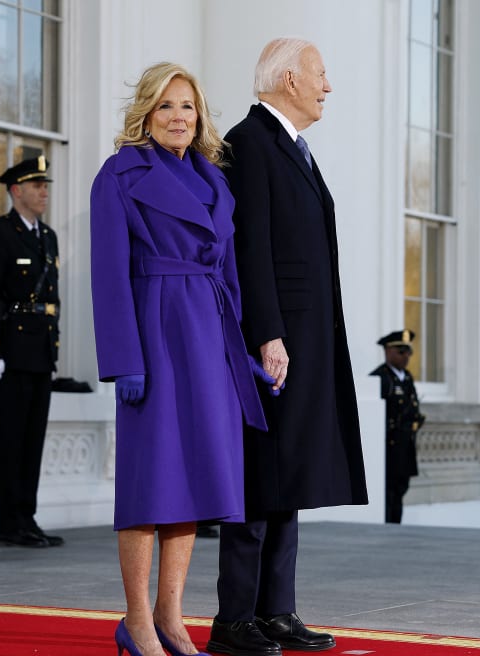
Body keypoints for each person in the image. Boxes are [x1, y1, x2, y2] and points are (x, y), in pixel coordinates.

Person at [90, 62, 277, 656]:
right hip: (156, 329)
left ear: (200, 118)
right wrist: (126, 358)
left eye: (188, 107)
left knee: (194, 479)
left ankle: (172, 616)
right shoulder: (119, 174)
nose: (178, 117)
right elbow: (108, 274)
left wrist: (241, 352)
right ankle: (136, 621)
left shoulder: (214, 181)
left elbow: (229, 274)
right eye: (167, 106)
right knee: (152, 479)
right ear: (146, 112)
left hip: (209, 336)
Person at [209, 38, 368, 656]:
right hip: (273, 342)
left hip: (307, 336)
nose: (327, 87)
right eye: (321, 75)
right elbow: (249, 247)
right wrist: (267, 333)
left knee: (291, 472)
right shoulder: (249, 144)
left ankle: (277, 611)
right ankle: (234, 620)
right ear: (288, 80)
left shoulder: (293, 148)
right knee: (259, 473)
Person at [0, 156, 64, 549]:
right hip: (8, 356)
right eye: (36, 185)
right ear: (16, 191)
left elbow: (50, 300)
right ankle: (10, 521)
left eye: (46, 185)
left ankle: (28, 516)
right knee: (10, 440)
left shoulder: (48, 238)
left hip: (39, 355)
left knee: (33, 440)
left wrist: (53, 353)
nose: (44, 192)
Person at [370, 330, 425, 524]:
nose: (406, 356)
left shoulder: (407, 377)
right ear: (388, 351)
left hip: (405, 445)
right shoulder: (380, 378)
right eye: (401, 351)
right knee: (388, 491)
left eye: (408, 352)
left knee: (401, 488)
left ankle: (396, 526)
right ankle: (388, 527)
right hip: (389, 446)